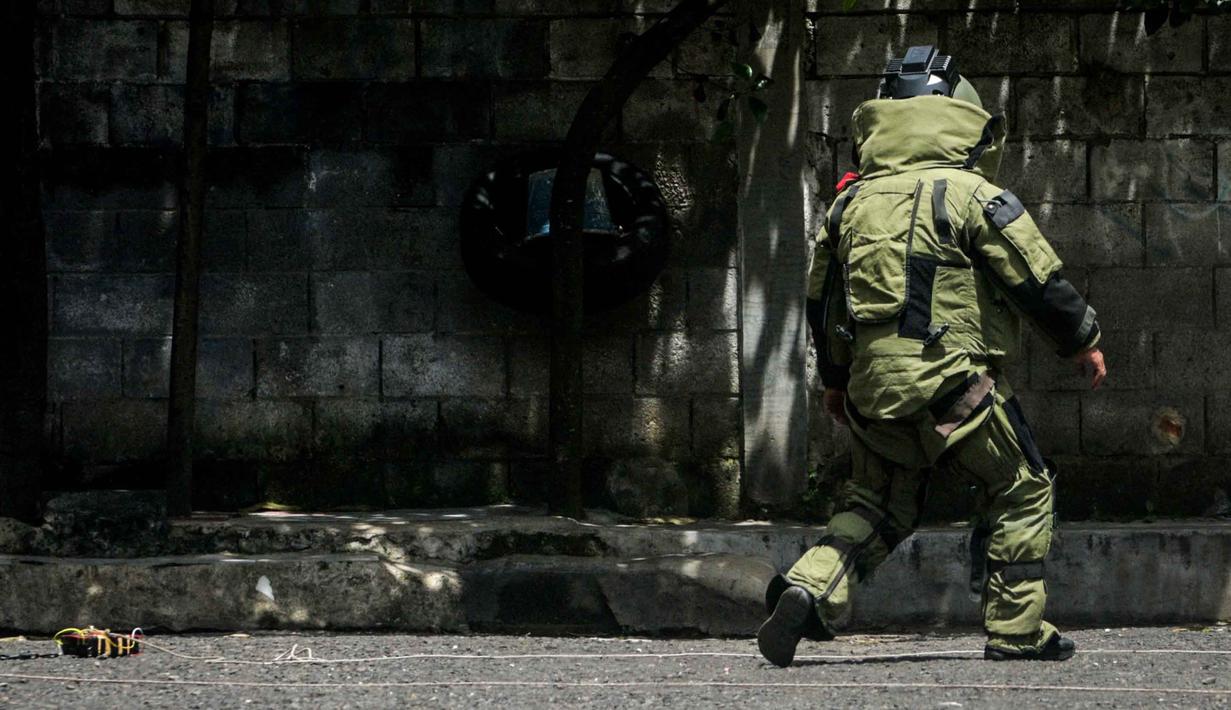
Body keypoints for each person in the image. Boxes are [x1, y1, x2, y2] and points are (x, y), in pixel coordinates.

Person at [757, 45, 1107, 667]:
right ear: (959, 116)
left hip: (872, 393)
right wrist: (1081, 339)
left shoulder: (847, 205)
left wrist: (836, 383)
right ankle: (1017, 630)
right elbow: (1034, 276)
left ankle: (809, 589)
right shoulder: (973, 194)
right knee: (1021, 489)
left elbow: (823, 305)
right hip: (956, 391)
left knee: (875, 504)